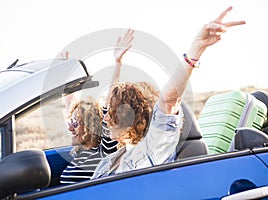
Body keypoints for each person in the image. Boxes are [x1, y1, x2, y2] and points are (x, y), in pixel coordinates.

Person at [91, 6, 246, 178]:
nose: (104, 116)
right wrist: (117, 63)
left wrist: (196, 49)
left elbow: (169, 100)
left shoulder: (154, 148)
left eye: (112, 112)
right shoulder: (111, 158)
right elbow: (109, 105)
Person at [60, 29, 135, 184]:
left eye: (75, 123)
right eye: (71, 123)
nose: (70, 128)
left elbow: (109, 105)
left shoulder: (104, 152)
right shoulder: (80, 152)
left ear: (90, 126)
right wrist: (65, 74)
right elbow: (71, 107)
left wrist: (118, 63)